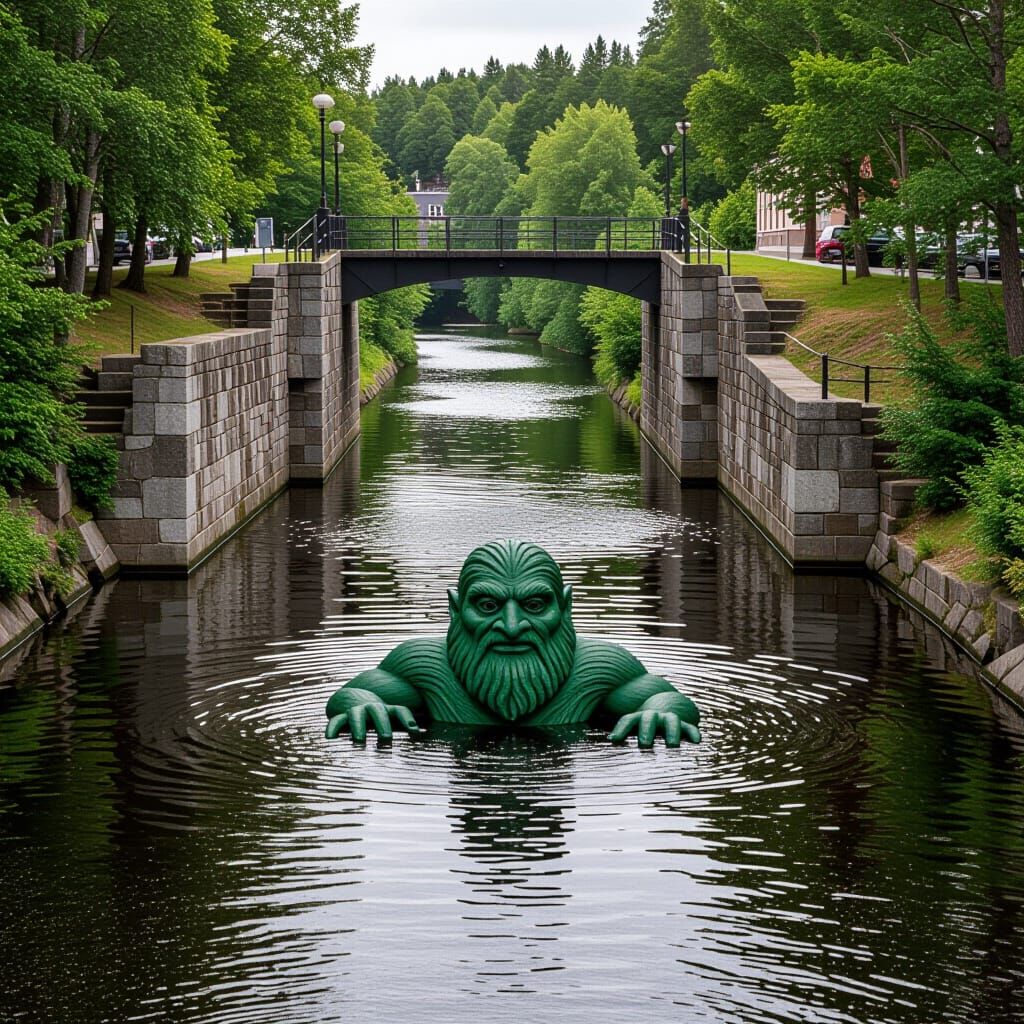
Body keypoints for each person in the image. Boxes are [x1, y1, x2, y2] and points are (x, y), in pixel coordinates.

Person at [324, 540, 702, 748]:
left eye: (534, 605)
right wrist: (364, 707)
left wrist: (661, 712)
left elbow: (665, 698)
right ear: (457, 609)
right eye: (487, 606)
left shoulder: (597, 666)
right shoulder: (426, 664)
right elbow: (354, 694)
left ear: (565, 607)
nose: (511, 626)